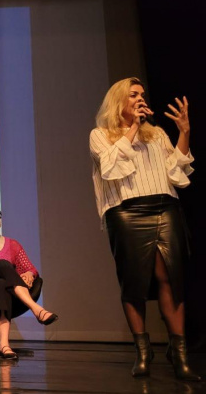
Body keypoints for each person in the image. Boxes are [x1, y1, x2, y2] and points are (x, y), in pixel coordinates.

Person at [89, 77, 200, 381]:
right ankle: (142, 351)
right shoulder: (100, 135)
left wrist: (184, 132)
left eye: (141, 94)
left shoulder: (157, 134)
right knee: (134, 282)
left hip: (165, 207)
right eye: (132, 95)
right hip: (126, 212)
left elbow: (176, 172)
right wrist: (134, 127)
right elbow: (111, 166)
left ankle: (179, 355)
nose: (140, 99)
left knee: (170, 279)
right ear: (118, 101)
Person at [0, 202, 58, 360]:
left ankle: (4, 345)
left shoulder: (13, 244)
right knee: (3, 265)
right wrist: (12, 272)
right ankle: (36, 309)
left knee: (1, 284)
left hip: (1, 287)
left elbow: (31, 268)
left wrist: (29, 274)